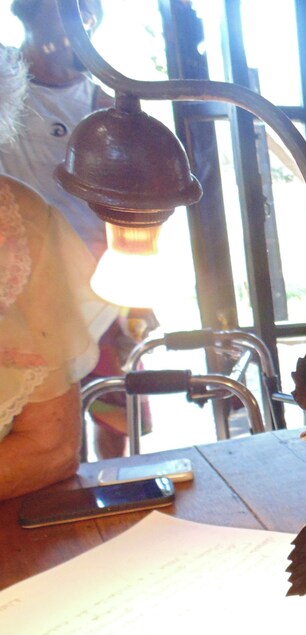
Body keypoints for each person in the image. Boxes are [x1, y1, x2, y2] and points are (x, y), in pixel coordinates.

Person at [0, 0, 156, 460]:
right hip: (24, 290)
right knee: (43, 424)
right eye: (69, 9)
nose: (81, 20)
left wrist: (139, 298)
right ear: (27, 13)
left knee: (117, 410)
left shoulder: (103, 106)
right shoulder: (7, 87)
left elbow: (133, 210)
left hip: (100, 284)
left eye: (90, 12)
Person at [0, 44, 115, 500]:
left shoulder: (20, 220)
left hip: (87, 272)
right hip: (72, 272)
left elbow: (51, 448)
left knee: (115, 406)